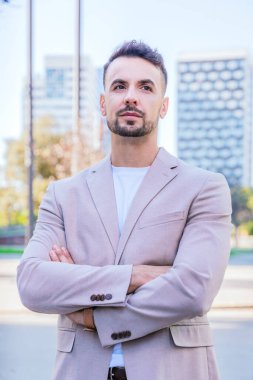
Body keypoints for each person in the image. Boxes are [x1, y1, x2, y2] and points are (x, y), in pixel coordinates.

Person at [17, 40, 232, 380]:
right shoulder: (63, 194)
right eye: (119, 86)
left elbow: (193, 289)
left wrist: (93, 316)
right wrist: (135, 275)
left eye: (146, 87)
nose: (131, 96)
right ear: (103, 104)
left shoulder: (204, 187)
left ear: (163, 106)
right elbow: (32, 283)